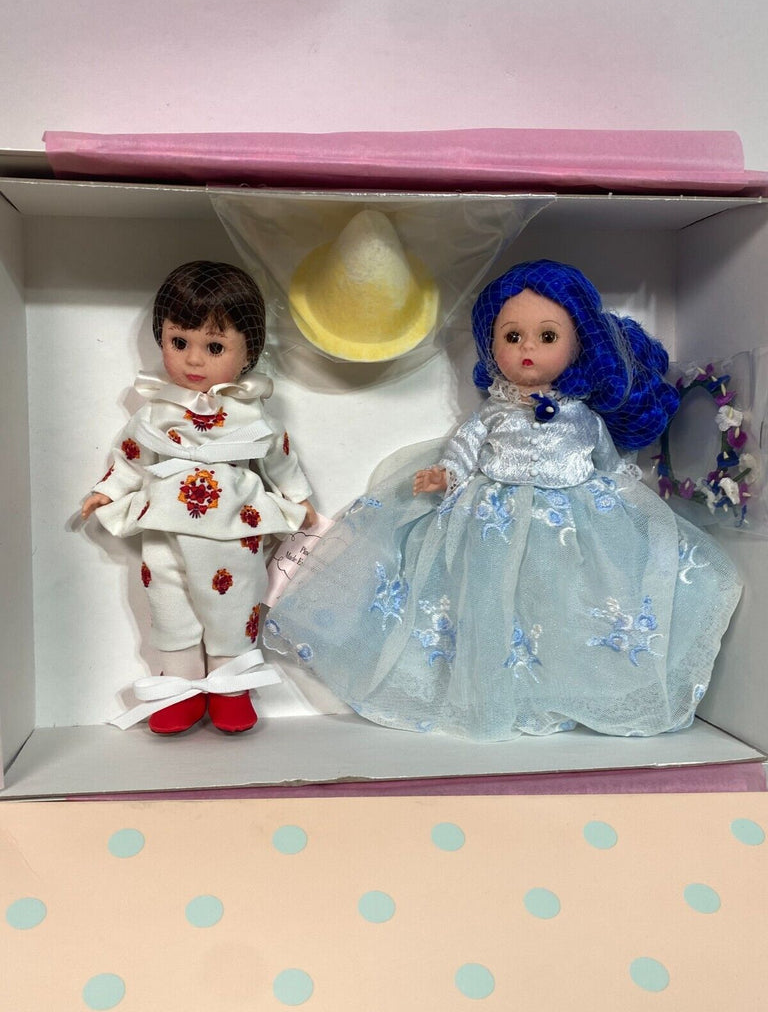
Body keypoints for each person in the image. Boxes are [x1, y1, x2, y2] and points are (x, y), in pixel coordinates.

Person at [264, 259, 741, 741]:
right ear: (491, 345)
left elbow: (609, 463)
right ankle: (495, 689)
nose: (528, 348)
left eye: (547, 336)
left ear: (579, 343)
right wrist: (446, 473)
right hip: (492, 520)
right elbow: (464, 449)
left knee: (564, 602)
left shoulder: (581, 416)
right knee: (489, 606)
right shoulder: (496, 412)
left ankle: (558, 687)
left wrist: (626, 499)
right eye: (512, 336)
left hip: (573, 522)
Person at [82, 260, 316, 734]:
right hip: (164, 523)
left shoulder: (252, 414)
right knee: (168, 599)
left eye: (214, 347)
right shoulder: (157, 411)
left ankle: (231, 688)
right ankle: (180, 687)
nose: (193, 360)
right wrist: (107, 491)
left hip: (234, 529)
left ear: (248, 352)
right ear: (161, 338)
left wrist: (298, 498)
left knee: (234, 601)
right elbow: (132, 454)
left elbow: (279, 455)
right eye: (178, 342)